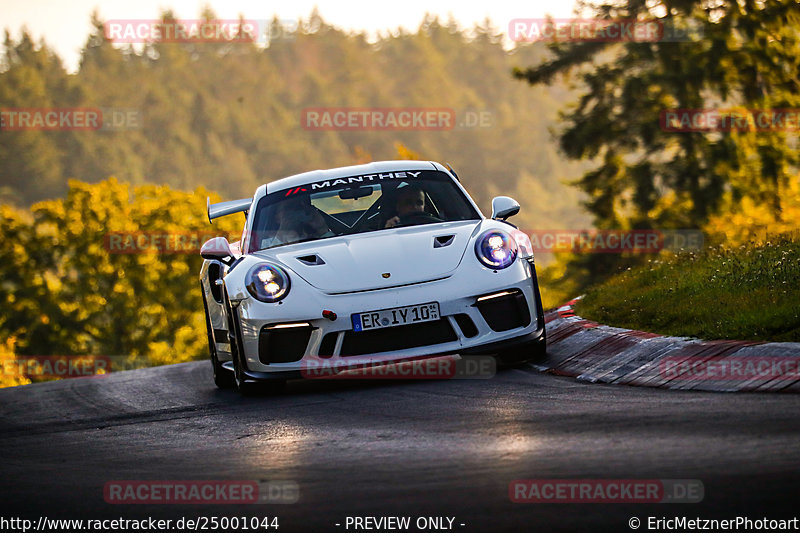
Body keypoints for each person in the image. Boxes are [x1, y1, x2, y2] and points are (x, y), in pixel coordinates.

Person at [261, 196, 330, 248]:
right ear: (277, 218)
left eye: (298, 207)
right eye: (288, 209)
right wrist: (281, 234)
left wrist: (322, 229)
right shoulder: (265, 243)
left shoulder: (317, 237)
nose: (294, 212)